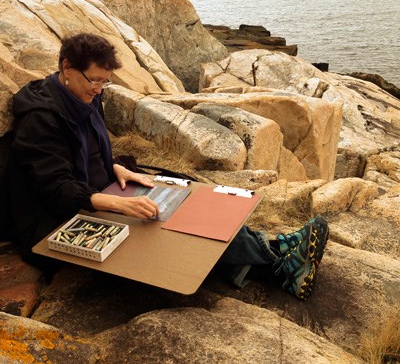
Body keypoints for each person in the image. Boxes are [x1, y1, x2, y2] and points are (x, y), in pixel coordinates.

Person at [4, 33, 328, 300]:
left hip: (98, 189)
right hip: (56, 218)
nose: (99, 89)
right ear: (66, 67)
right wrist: (120, 203)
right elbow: (56, 189)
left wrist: (115, 167)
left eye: (104, 82)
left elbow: (88, 151)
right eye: (94, 80)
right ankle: (278, 257)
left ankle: (275, 256)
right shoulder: (40, 118)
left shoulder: (83, 96)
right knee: (164, 225)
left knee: (186, 195)